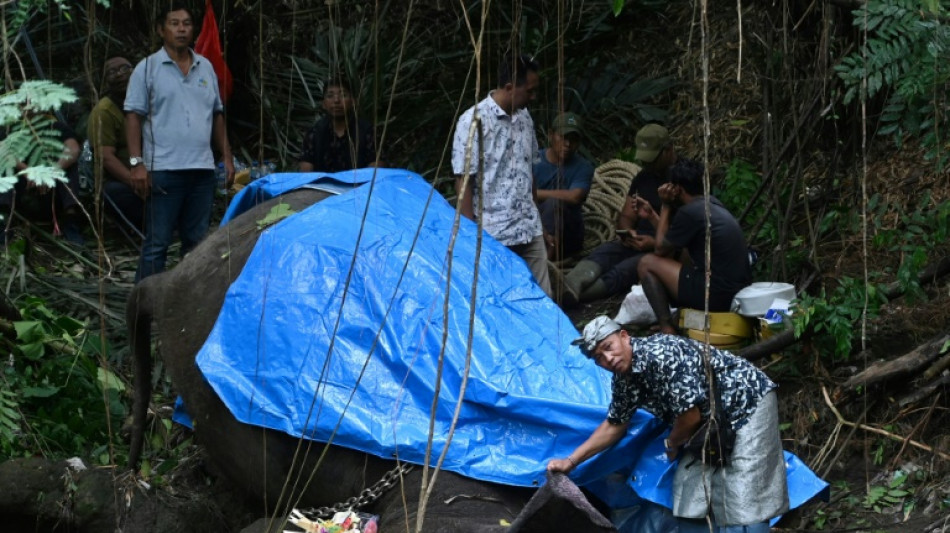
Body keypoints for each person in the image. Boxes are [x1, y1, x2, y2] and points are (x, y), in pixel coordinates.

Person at [548, 316, 788, 532]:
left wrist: (672, 443)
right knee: (689, 493)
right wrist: (571, 461)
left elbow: (689, 416)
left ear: (624, 336)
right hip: (707, 422)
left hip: (746, 402)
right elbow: (615, 424)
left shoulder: (659, 354)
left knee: (745, 493)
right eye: (598, 357)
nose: (608, 359)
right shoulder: (623, 379)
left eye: (608, 347)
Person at [125, 3, 234, 281]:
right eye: (174, 23)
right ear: (162, 30)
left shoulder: (205, 66)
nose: (181, 29)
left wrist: (227, 156)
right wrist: (136, 163)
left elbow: (217, 114)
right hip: (163, 169)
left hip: (202, 170)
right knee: (157, 244)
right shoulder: (147, 68)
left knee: (196, 244)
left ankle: (186, 308)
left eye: (186, 23)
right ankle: (141, 314)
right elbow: (133, 117)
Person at [452, 52, 551, 297]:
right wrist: (470, 233)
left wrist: (539, 220)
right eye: (529, 91)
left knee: (545, 299)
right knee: (504, 299)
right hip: (493, 232)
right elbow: (464, 179)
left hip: (528, 226)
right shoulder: (473, 121)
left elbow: (530, 170)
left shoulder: (525, 117)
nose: (533, 96)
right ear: (509, 87)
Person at [558, 124, 674, 307]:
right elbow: (626, 216)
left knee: (625, 270)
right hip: (637, 241)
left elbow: (686, 234)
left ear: (668, 151)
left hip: (664, 247)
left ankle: (572, 296)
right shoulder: (643, 178)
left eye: (652, 159)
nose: (647, 165)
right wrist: (628, 232)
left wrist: (654, 243)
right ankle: (567, 286)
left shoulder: (681, 179)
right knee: (603, 253)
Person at [636, 158, 751, 334]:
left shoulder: (689, 212)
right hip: (735, 291)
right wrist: (652, 215)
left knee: (646, 263)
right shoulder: (710, 203)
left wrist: (665, 205)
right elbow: (671, 244)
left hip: (718, 293)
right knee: (680, 255)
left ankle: (667, 329)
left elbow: (659, 249)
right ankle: (675, 321)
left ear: (677, 189)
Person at [0, 117, 85, 246]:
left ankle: (70, 222)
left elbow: (73, 149)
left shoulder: (56, 127)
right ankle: (4, 224)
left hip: (52, 194)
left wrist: (51, 173)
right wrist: (29, 172)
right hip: (22, 193)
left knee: (70, 167)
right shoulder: (10, 129)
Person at [88, 56, 144, 231]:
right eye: (112, 72)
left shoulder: (149, 100)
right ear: (105, 82)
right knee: (115, 193)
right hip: (123, 180)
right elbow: (106, 156)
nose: (119, 75)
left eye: (124, 69)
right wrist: (135, 182)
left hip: (155, 171)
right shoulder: (103, 112)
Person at [532, 112, 594, 260]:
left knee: (554, 205)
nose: (567, 145)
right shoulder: (534, 161)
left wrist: (533, 193)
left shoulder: (583, 167)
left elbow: (574, 196)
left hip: (568, 235)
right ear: (551, 135)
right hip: (534, 228)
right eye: (563, 138)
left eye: (573, 140)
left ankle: (546, 264)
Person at [298, 77, 380, 172]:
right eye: (330, 96)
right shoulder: (315, 133)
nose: (336, 101)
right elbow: (306, 174)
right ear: (323, 104)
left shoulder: (367, 131)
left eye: (343, 95)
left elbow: (376, 172)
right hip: (322, 186)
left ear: (353, 102)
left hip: (360, 185)